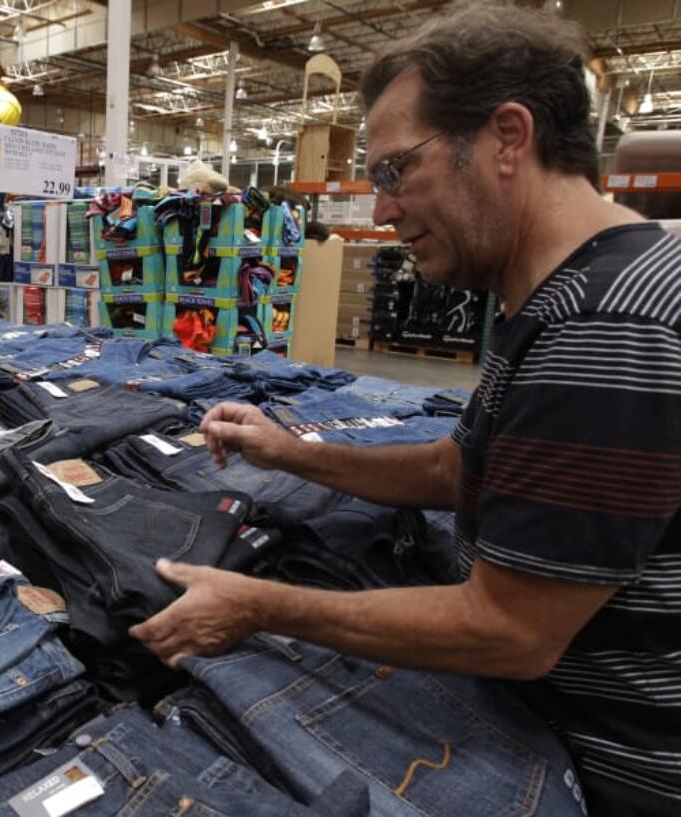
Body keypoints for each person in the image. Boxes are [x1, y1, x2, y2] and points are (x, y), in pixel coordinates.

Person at [130, 5, 680, 815]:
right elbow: (460, 468)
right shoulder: (571, 289)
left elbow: (510, 630)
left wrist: (259, 607)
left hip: (593, 771)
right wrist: (294, 453)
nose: (381, 212)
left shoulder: (600, 331)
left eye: (394, 171)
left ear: (507, 137)